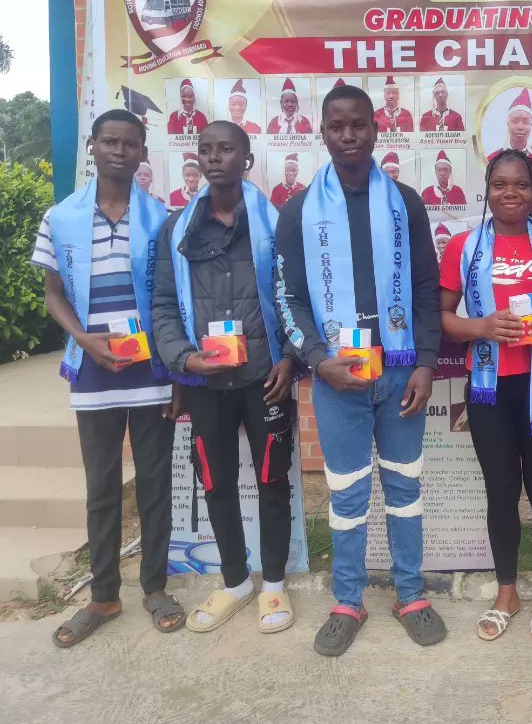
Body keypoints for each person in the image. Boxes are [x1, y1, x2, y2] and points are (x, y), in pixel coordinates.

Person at [275, 84, 444, 656]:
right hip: (336, 377)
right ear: (321, 132)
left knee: (404, 487)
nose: (348, 135)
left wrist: (425, 362)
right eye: (336, 126)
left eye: (359, 125)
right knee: (346, 494)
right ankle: (347, 600)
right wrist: (319, 360)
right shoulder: (299, 210)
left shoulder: (406, 203)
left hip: (398, 371)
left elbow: (426, 287)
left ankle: (411, 594)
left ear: (376, 129)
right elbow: (287, 296)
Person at [31, 109, 183, 647]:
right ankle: (103, 595)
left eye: (130, 143)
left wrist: (177, 375)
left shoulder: (161, 218)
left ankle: (156, 587)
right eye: (109, 141)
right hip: (93, 370)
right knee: (101, 488)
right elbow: (53, 291)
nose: (119, 151)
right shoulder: (61, 218)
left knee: (155, 484)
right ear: (92, 146)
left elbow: (171, 300)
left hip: (151, 371)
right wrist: (85, 338)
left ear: (144, 152)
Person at [152, 121, 300, 635]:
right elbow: (165, 306)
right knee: (215, 485)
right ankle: (236, 582)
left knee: (272, 482)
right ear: (197, 159)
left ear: (247, 159)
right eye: (207, 150)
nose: (216, 158)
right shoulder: (178, 230)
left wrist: (291, 360)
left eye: (227, 149)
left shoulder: (275, 223)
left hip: (267, 378)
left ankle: (275, 586)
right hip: (206, 385)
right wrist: (184, 359)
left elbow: (293, 298)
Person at [439, 148, 532, 643]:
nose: (510, 193)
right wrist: (481, 325)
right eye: (500, 184)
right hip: (489, 388)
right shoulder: (464, 247)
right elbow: (442, 317)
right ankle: (507, 592)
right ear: (487, 190)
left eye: (520, 184)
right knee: (500, 492)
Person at [487, 88, 532, 174]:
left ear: (531, 125)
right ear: (507, 124)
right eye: (515, 121)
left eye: (525, 122)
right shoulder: (491, 160)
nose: (520, 127)